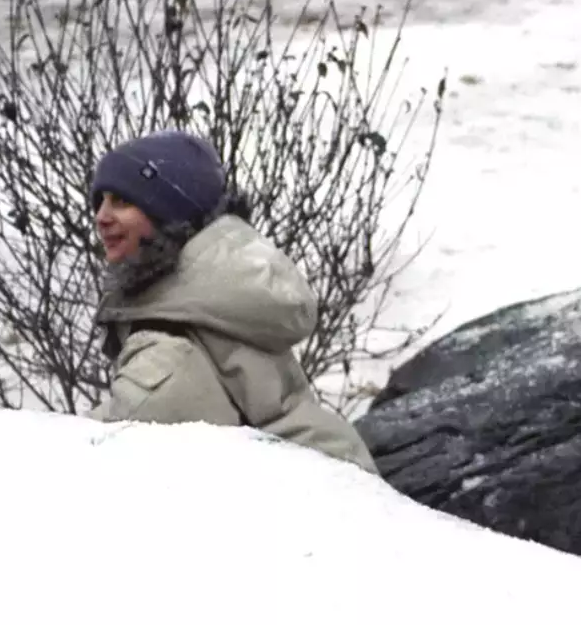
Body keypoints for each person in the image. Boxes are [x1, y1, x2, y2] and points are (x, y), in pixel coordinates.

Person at [87, 129, 378, 474]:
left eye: (121, 201)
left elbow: (112, 446)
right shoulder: (208, 293)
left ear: (167, 212)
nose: (101, 217)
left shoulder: (167, 346)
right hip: (336, 476)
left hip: (315, 507)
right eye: (100, 201)